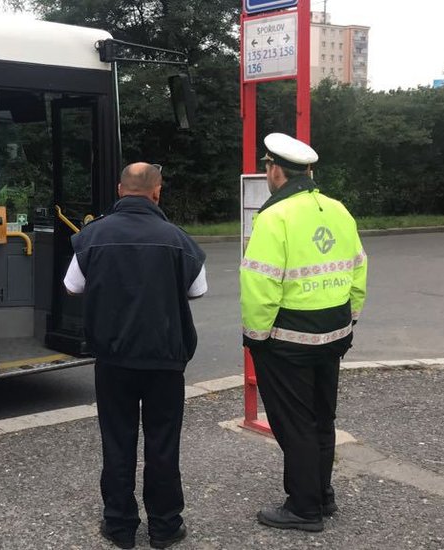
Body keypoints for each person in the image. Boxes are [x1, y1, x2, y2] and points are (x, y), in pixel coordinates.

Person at [63, 162, 207, 549]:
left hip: (113, 359)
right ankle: (165, 526)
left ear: (119, 189)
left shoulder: (92, 237)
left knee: (117, 439)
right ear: (157, 192)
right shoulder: (178, 239)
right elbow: (198, 291)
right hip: (164, 359)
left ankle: (120, 525)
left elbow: (72, 286)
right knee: (163, 442)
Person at [240, 133, 368, 532]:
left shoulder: (273, 217)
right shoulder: (338, 210)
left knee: (293, 424)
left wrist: (255, 337)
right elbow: (358, 270)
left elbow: (261, 286)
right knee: (320, 418)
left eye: (267, 168)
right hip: (334, 334)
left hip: (287, 342)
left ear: (275, 171)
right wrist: (351, 320)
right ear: (308, 172)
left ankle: (304, 508)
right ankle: (322, 494)